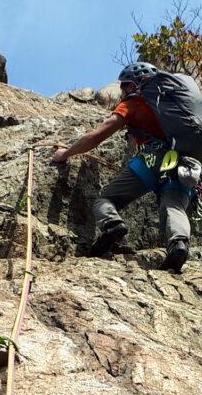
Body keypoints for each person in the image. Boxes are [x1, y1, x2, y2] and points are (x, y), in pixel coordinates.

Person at [52, 62, 191, 272]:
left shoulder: (134, 103)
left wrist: (67, 153)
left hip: (153, 160)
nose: (122, 92)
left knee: (106, 199)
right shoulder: (176, 104)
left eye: (124, 86)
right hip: (187, 165)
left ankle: (112, 225)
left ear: (133, 85)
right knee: (174, 206)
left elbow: (98, 134)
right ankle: (178, 244)